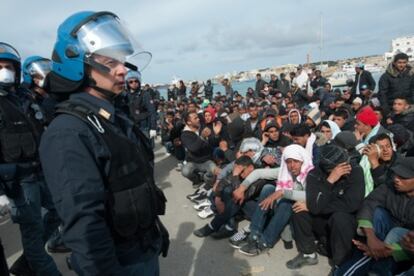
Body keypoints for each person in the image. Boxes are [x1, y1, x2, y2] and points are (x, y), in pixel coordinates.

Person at [39, 11, 169, 275]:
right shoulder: (68, 132)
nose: (123, 69)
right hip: (120, 260)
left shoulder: (113, 116)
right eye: (110, 62)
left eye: (121, 61)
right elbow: (85, 227)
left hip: (143, 245)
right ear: (79, 65)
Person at [0, 42, 62, 276]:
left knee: (57, 211)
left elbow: (47, 114)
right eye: (0, 67)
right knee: (34, 234)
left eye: (9, 66)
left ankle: (26, 263)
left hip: (39, 171)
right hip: (19, 182)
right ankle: (38, 264)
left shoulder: (23, 97)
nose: (5, 71)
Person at [286, 144, 365, 272]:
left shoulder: (355, 171)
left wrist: (315, 206)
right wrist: (330, 180)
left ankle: (340, 264)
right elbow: (315, 204)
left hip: (343, 222)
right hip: (322, 218)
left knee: (340, 217)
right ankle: (308, 254)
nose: (346, 167)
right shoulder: (315, 173)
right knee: (299, 209)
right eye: (341, 166)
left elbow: (351, 204)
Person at [337, 157, 414, 275]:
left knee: (396, 233)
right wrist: (371, 237)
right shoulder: (389, 187)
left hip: (405, 248)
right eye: (396, 175)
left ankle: (376, 270)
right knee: (377, 213)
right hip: (384, 237)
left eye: (403, 177)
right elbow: (369, 203)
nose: (396, 179)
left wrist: (387, 250)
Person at [238, 144, 314, 256]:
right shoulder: (284, 171)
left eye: (296, 161)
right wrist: (242, 187)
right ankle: (254, 234)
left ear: (303, 161)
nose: (292, 166)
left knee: (286, 202)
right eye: (288, 161)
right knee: (268, 188)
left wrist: (283, 192)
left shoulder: (310, 174)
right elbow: (258, 173)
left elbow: (311, 196)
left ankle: (266, 241)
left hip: (297, 214)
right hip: (278, 210)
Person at [181, 110, 217, 188]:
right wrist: (202, 137)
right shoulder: (185, 134)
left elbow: (213, 143)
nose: (198, 119)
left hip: (207, 160)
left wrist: (215, 135)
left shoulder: (203, 127)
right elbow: (193, 148)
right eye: (195, 118)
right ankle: (197, 180)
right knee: (185, 171)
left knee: (214, 171)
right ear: (189, 122)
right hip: (193, 162)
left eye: (198, 117)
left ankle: (208, 184)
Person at [127, 70, 157, 146]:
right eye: (131, 82)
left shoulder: (145, 94)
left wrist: (153, 128)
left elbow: (152, 111)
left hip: (144, 126)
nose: (133, 83)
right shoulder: (125, 95)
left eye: (136, 81)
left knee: (147, 147)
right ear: (127, 83)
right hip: (131, 125)